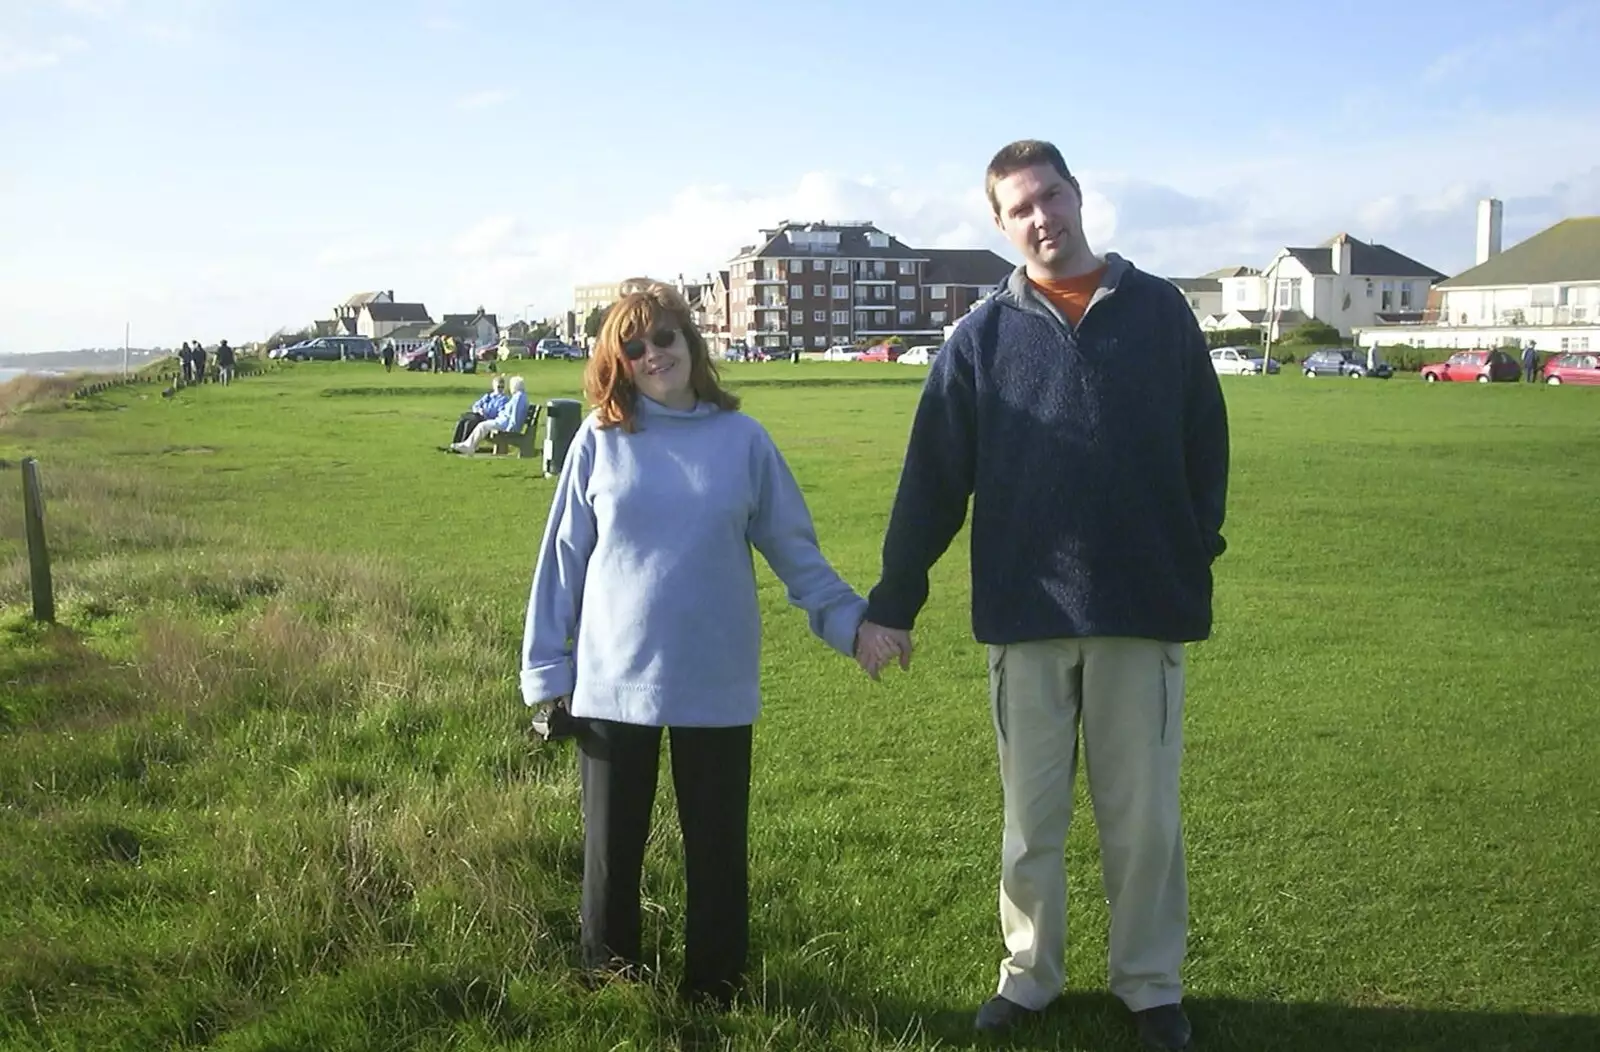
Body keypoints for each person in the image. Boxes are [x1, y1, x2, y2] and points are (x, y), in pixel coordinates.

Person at [856, 140, 1228, 1051]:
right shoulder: (981, 337)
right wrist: (895, 598)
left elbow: (1204, 446)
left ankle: (1149, 986)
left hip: (1139, 611)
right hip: (1027, 617)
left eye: (1050, 197)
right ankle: (1029, 976)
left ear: (1076, 194)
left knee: (1142, 822)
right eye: (1019, 208)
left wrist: (1190, 549)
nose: (1040, 218)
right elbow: (933, 481)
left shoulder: (1160, 312)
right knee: (1031, 824)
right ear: (1000, 223)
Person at [520, 280, 871, 1009]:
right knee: (612, 854)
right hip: (613, 681)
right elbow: (562, 561)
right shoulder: (600, 439)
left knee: (717, 849)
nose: (653, 356)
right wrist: (547, 669)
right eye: (634, 346)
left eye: (665, 339)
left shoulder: (741, 440)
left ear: (692, 343)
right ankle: (609, 982)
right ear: (617, 361)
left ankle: (714, 988)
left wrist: (853, 625)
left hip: (714, 679)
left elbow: (796, 554)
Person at [447, 375, 528, 454]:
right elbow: (477, 404)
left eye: (511, 385)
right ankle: (466, 445)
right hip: (500, 421)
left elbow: (515, 416)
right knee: (466, 420)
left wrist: (510, 430)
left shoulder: (518, 397)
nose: (510, 388)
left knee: (482, 425)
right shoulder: (517, 396)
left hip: (503, 423)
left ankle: (469, 446)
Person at [452, 375, 508, 445]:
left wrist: (485, 412)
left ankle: (462, 445)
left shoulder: (503, 399)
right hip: (478, 414)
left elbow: (498, 412)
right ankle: (454, 444)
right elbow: (476, 405)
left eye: (502, 387)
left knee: (469, 423)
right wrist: (479, 409)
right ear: (494, 386)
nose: (500, 389)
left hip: (487, 419)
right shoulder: (488, 396)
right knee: (462, 421)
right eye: (498, 387)